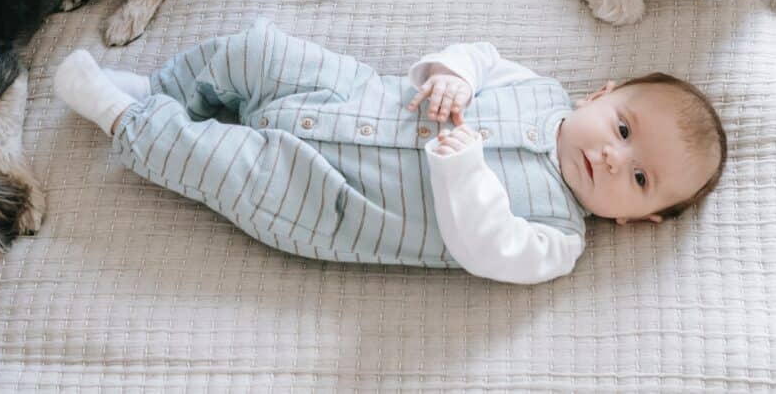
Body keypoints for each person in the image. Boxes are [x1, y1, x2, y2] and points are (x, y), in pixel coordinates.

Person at [54, 18, 727, 283]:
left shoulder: (556, 240)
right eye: (623, 128)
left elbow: (483, 245)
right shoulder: (540, 87)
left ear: (637, 219)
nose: (613, 157)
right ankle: (164, 88)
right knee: (258, 48)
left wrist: (464, 167)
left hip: (327, 198)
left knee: (222, 165)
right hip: (355, 94)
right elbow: (481, 55)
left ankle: (127, 120)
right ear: (599, 95)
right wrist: (453, 73)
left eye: (639, 178)